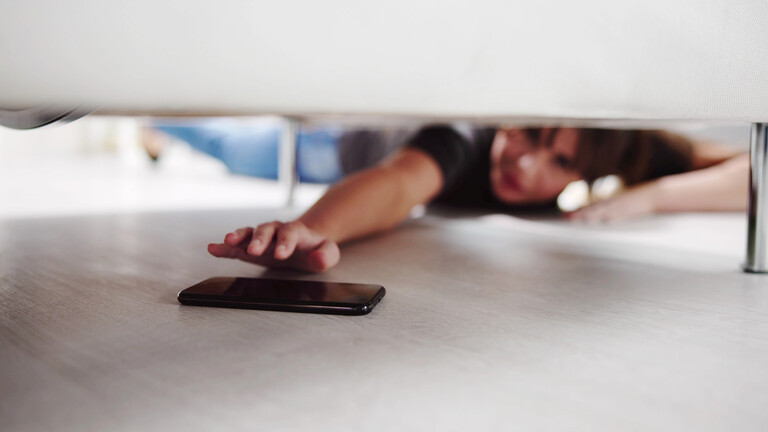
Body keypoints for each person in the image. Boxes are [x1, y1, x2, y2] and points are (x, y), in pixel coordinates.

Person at [205, 124, 748, 273]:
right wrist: (313, 227)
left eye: (560, 161)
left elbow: (754, 168)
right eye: (527, 135)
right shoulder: (465, 136)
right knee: (223, 144)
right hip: (331, 150)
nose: (526, 164)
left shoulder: (616, 141)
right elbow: (400, 184)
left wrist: (654, 197)